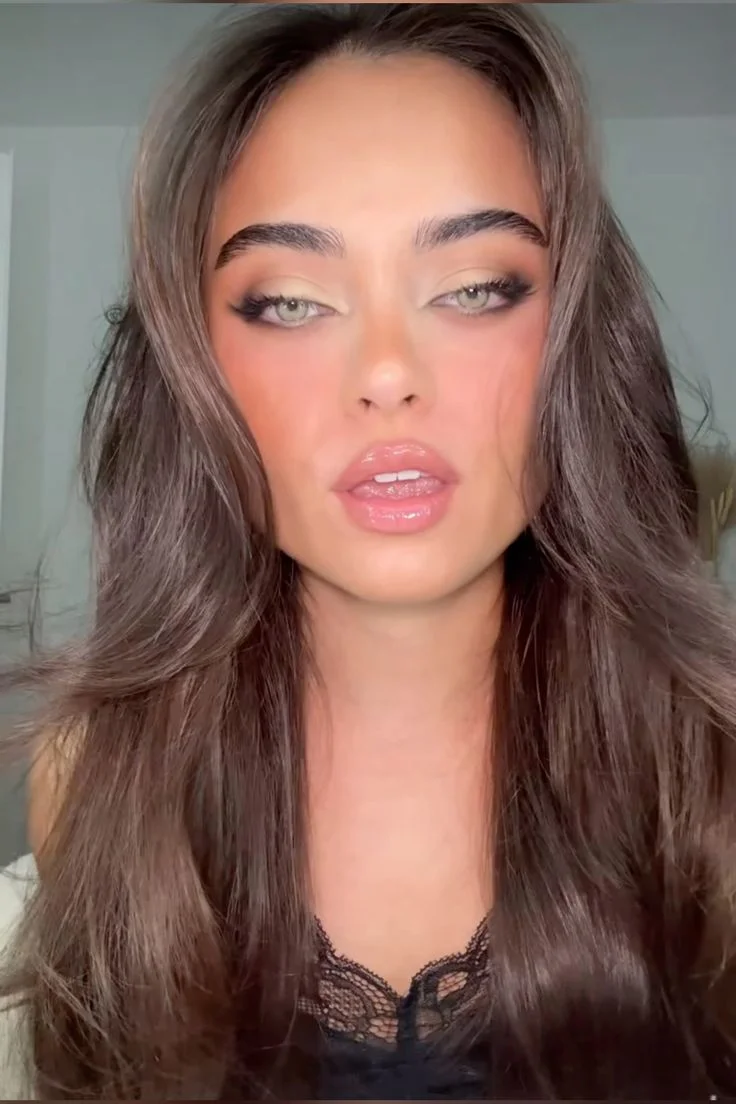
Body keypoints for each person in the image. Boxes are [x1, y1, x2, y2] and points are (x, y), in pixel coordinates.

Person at [1, 2, 735, 1099]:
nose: (388, 373)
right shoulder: (99, 781)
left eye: (476, 289)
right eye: (290, 302)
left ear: (577, 337)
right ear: (196, 371)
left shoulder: (708, 779)